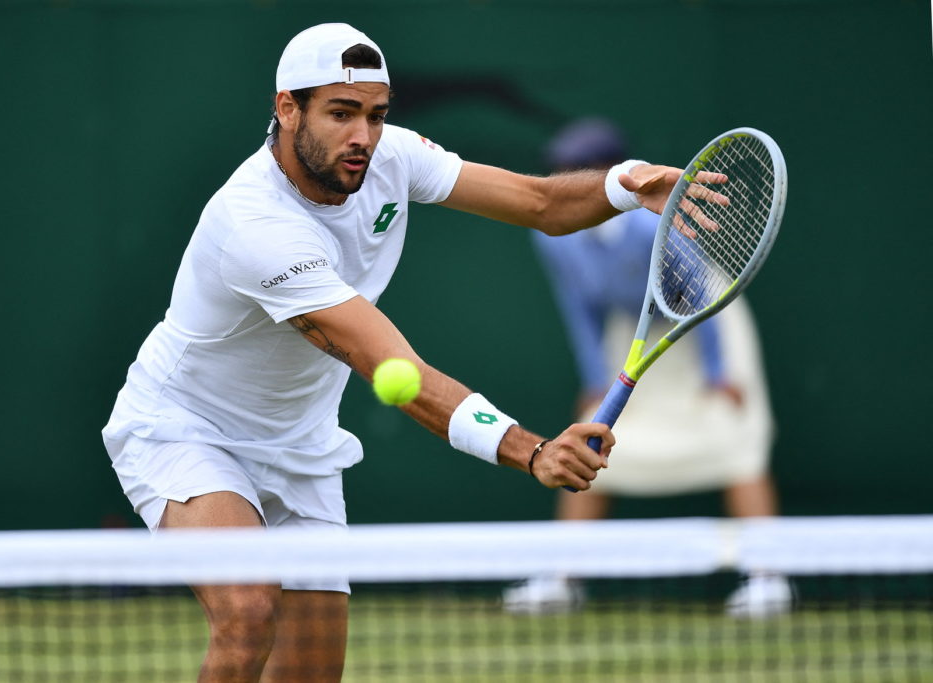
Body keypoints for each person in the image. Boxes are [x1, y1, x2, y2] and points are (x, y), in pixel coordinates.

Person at [101, 25, 720, 682]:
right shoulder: (256, 227)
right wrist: (532, 450)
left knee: (313, 669)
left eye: (375, 115)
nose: (363, 136)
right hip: (186, 429)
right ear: (287, 109)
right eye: (341, 113)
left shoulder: (391, 157)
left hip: (302, 445)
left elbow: (538, 202)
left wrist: (626, 185)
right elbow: (397, 369)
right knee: (249, 611)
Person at [502, 118, 792, 619]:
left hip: (704, 319)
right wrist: (595, 379)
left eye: (579, 168)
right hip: (634, 326)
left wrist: (718, 374)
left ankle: (770, 579)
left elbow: (698, 290)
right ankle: (562, 579)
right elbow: (579, 307)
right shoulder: (553, 235)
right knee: (591, 441)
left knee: (737, 441)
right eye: (561, 170)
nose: (566, 179)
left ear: (610, 172)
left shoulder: (647, 225)